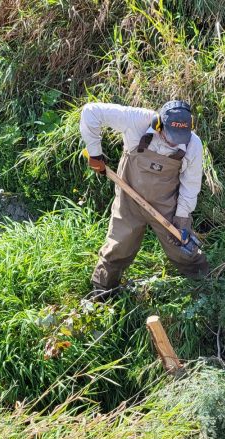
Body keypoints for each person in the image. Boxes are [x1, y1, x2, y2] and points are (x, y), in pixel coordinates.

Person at [80, 101, 209, 296]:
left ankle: (209, 289)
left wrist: (182, 217)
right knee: (118, 247)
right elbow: (91, 112)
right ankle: (102, 294)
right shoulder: (136, 120)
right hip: (129, 199)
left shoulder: (193, 144)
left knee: (183, 250)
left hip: (166, 204)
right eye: (170, 137)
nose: (174, 143)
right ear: (159, 125)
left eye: (179, 139)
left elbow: (190, 184)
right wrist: (95, 154)